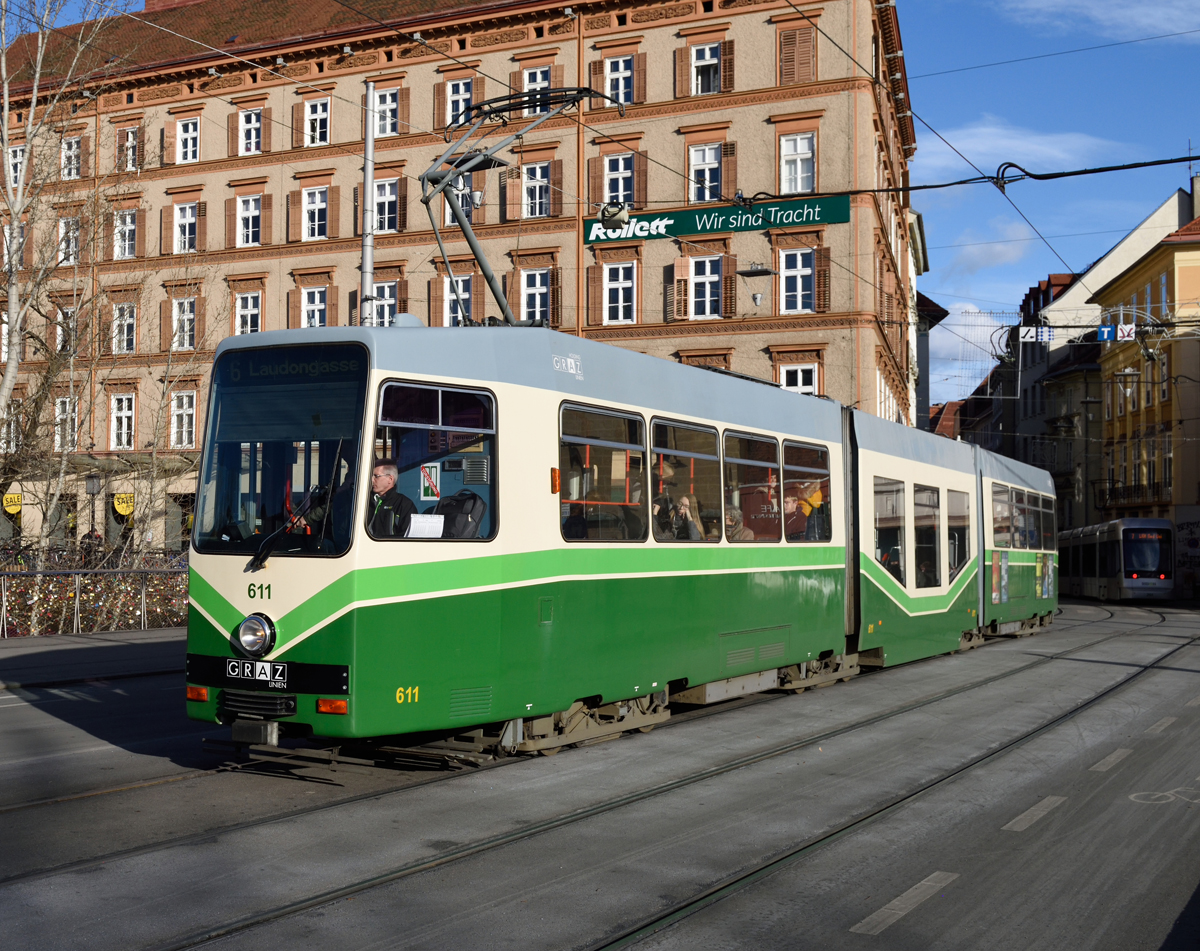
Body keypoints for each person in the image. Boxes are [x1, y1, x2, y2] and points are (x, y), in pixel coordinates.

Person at [367, 462, 417, 537]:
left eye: (376, 476)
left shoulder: (404, 505)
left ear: (390, 479)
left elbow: (407, 537)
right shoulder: (365, 501)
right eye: (371, 476)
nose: (372, 480)